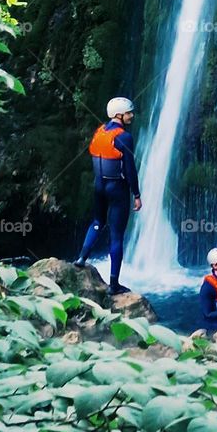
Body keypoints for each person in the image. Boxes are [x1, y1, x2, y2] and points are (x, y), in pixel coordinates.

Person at [74, 96, 142, 295]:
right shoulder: (124, 137)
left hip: (99, 185)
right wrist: (136, 194)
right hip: (117, 188)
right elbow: (130, 169)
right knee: (116, 235)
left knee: (97, 221)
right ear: (119, 115)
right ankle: (114, 284)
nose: (131, 116)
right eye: (129, 113)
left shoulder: (99, 132)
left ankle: (81, 258)